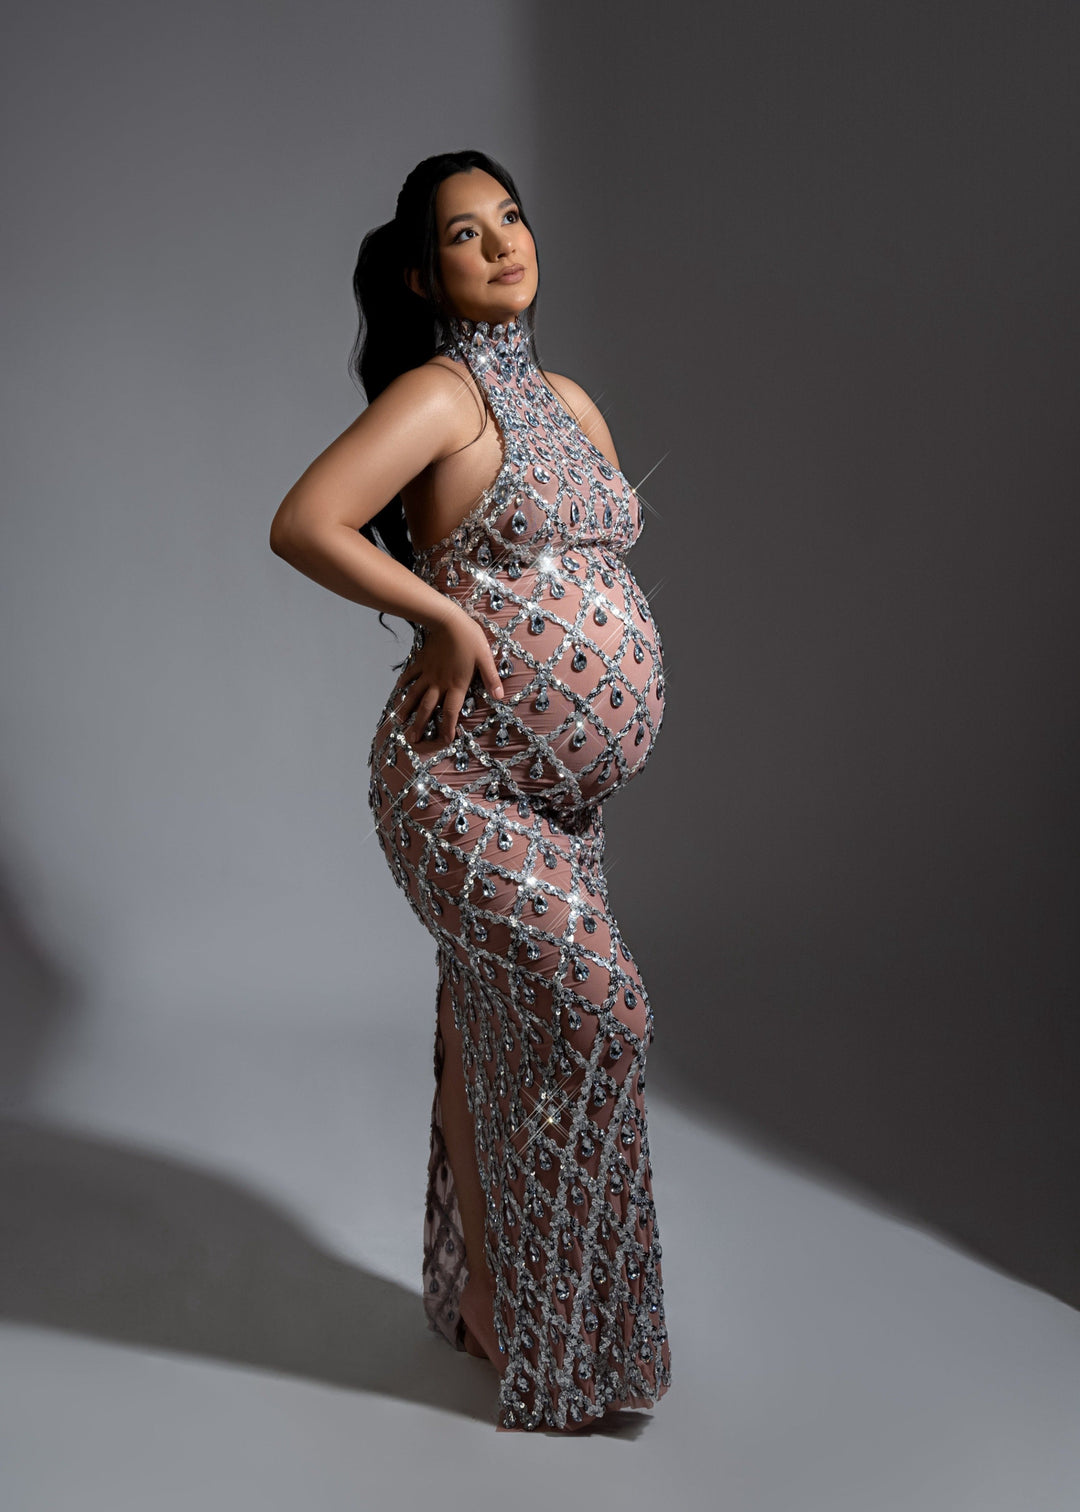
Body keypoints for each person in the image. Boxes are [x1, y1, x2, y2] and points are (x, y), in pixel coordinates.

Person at [269, 149, 672, 1432]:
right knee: (602, 1013)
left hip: (561, 804)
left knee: (486, 1024)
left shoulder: (569, 401)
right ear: (419, 273)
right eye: (463, 233)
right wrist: (444, 617)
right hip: (461, 782)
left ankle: (485, 1301)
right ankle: (549, 1334)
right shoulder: (442, 397)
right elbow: (307, 520)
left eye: (511, 217)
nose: (501, 244)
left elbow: (590, 569)